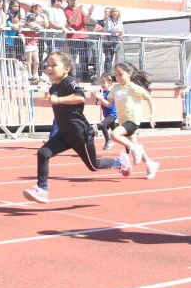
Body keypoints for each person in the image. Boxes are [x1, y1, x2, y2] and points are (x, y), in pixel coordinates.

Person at [23, 52, 132, 204]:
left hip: (80, 134)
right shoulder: (53, 87)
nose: (50, 67)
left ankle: (119, 162)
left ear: (66, 68)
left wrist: (59, 99)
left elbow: (80, 97)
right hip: (64, 134)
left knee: (94, 166)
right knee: (43, 153)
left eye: (54, 65)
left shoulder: (69, 81)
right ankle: (42, 190)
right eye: (48, 65)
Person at [105, 62, 159, 179]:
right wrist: (100, 99)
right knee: (134, 142)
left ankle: (135, 148)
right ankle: (150, 164)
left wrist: (152, 114)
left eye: (121, 74)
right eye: (116, 75)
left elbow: (149, 97)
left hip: (132, 121)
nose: (118, 77)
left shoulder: (133, 87)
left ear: (129, 74)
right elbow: (108, 104)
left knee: (114, 135)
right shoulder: (115, 88)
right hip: (122, 121)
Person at [20, 3, 48, 82]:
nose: (31, 21)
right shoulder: (25, 26)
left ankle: (35, 74)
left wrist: (35, 25)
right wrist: (29, 24)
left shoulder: (34, 24)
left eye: (32, 19)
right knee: (29, 61)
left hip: (35, 44)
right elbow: (21, 28)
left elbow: (40, 28)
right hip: (28, 44)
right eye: (30, 19)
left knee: (37, 60)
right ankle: (29, 75)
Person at [92, 72, 117, 151]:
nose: (102, 84)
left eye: (104, 82)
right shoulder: (101, 92)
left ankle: (108, 141)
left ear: (109, 82)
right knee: (117, 134)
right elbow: (97, 103)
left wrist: (102, 98)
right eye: (101, 82)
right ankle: (128, 145)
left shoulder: (111, 92)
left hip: (112, 114)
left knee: (102, 125)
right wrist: (99, 98)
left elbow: (109, 103)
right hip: (106, 115)